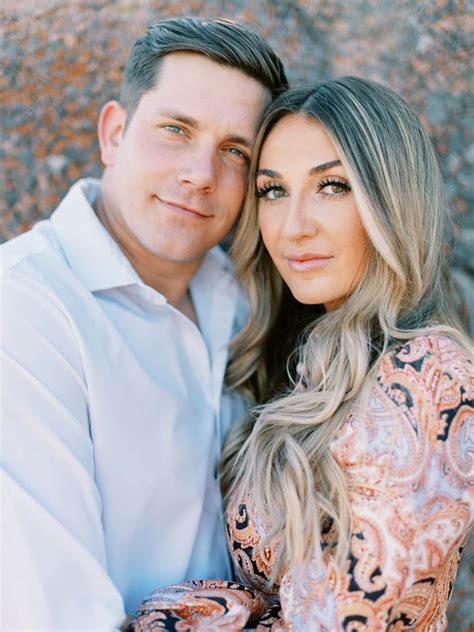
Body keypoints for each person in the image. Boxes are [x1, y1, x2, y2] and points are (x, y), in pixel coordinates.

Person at [130, 78, 473, 631]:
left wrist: (193, 615)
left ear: (393, 199)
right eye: (273, 191)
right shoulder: (306, 363)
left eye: (332, 186)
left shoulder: (429, 374)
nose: (294, 227)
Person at [0, 17, 288, 630]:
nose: (201, 174)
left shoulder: (243, 299)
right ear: (114, 132)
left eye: (235, 151)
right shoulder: (25, 310)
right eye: (175, 130)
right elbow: (53, 613)